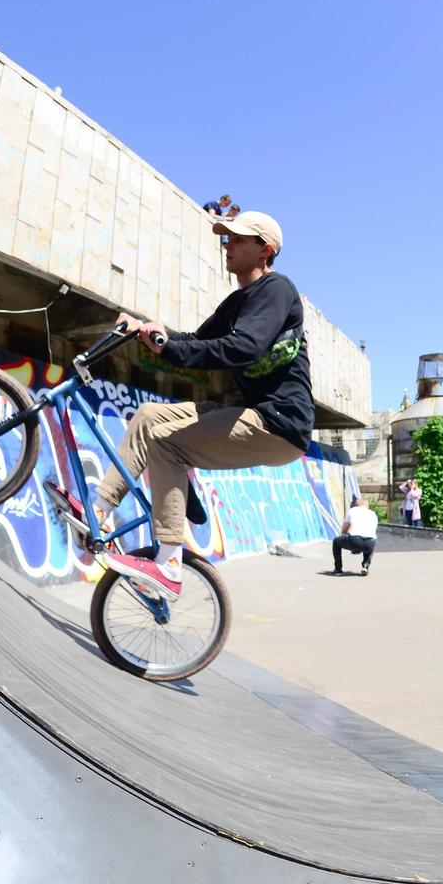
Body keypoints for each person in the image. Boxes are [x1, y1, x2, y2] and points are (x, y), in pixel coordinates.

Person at [95, 211, 311, 600]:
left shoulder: (277, 290)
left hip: (280, 424)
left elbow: (244, 347)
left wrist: (171, 345)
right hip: (251, 413)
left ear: (266, 250)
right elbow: (194, 341)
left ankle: (168, 565)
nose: (228, 245)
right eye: (226, 238)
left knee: (166, 443)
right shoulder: (236, 303)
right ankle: (97, 511)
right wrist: (147, 331)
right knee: (147, 418)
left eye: (238, 239)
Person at [332, 496, 378, 574]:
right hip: (370, 543)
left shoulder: (352, 511)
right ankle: (365, 566)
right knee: (370, 541)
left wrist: (352, 545)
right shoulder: (373, 513)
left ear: (356, 505)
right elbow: (372, 531)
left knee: (336, 541)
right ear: (367, 506)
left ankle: (338, 568)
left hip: (355, 540)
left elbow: (344, 530)